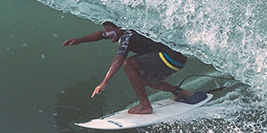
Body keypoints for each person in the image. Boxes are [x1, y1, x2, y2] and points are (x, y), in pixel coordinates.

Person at [62, 21, 192, 114]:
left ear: (119, 27)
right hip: (177, 60)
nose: (106, 34)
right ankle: (180, 93)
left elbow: (119, 59)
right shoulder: (123, 31)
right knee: (143, 80)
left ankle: (145, 105)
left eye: (109, 30)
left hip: (171, 57)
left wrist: (104, 82)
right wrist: (79, 40)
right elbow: (100, 35)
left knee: (129, 64)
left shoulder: (127, 35)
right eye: (105, 31)